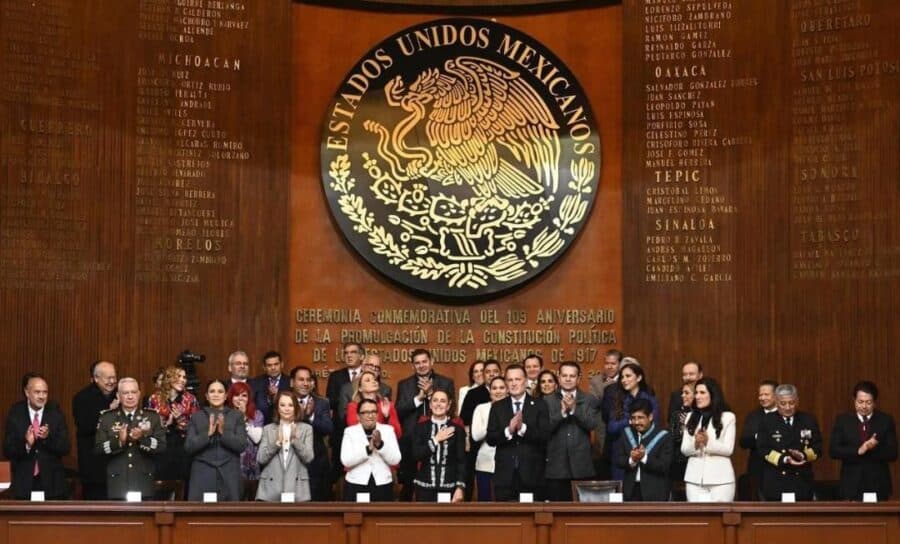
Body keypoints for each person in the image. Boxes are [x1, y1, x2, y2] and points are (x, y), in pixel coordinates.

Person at [396, 348, 455, 500]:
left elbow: (452, 410)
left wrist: (430, 395)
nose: (421, 365)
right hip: (411, 444)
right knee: (408, 488)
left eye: (424, 361)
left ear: (431, 362)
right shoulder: (404, 384)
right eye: (417, 363)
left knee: (436, 487)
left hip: (440, 440)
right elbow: (399, 411)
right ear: (413, 366)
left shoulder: (445, 382)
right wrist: (419, 398)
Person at [486, 364, 550, 501]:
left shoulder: (540, 405)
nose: (514, 383)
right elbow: (491, 438)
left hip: (532, 475)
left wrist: (522, 429)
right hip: (505, 477)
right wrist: (508, 430)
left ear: (525, 381)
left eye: (517, 379)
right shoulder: (497, 407)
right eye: (510, 380)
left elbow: (545, 436)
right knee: (505, 520)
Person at [95, 377, 166, 499]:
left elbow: (161, 447)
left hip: (143, 482)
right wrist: (119, 441)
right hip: (117, 483)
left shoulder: (152, 417)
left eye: (133, 392)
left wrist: (141, 438)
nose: (130, 396)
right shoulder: (107, 418)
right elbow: (98, 449)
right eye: (125, 393)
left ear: (139, 394)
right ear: (118, 395)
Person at [3, 373, 70, 499]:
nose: (42, 396)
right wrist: (27, 444)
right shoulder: (16, 413)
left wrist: (47, 439)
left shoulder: (55, 413)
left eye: (45, 392)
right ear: (27, 393)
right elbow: (8, 450)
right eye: (37, 392)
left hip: (52, 484)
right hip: (24, 483)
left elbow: (65, 447)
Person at [830, 381, 898, 501]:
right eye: (860, 402)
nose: (864, 406)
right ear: (854, 400)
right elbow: (834, 451)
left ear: (875, 403)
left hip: (878, 483)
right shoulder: (843, 420)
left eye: (868, 402)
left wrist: (872, 448)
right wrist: (858, 450)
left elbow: (893, 453)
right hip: (851, 484)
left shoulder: (885, 420)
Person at [185, 379, 248, 501]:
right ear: (207, 396)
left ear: (225, 396)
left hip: (229, 473)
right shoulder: (197, 416)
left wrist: (224, 433)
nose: (216, 394)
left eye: (220, 391)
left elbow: (241, 445)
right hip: (202, 473)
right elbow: (189, 447)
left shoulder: (236, 416)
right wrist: (207, 435)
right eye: (212, 391)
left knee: (229, 516)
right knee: (199, 517)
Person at [756, 384, 822, 501]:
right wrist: (785, 459)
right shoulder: (767, 421)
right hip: (776, 481)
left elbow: (818, 447)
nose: (787, 407)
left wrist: (803, 455)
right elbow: (762, 449)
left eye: (791, 403)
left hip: (802, 481)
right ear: (776, 402)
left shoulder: (808, 420)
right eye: (783, 403)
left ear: (797, 401)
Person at [544, 362, 599, 501]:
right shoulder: (547, 400)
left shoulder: (589, 399)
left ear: (579, 378)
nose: (568, 379)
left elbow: (592, 424)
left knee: (581, 516)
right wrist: (561, 414)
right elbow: (544, 429)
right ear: (559, 377)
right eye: (565, 375)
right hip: (556, 467)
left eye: (572, 376)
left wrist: (575, 410)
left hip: (582, 467)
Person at [681, 377, 736, 502]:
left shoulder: (728, 417)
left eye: (702, 393)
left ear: (713, 394)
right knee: (698, 520)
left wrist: (708, 442)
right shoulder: (690, 417)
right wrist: (695, 443)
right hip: (694, 480)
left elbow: (728, 449)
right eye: (696, 393)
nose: (698, 396)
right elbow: (684, 449)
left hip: (721, 481)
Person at [602, 362, 659, 480]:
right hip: (621, 452)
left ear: (639, 377)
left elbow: (655, 426)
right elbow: (611, 428)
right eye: (622, 377)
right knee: (622, 493)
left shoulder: (650, 400)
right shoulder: (618, 400)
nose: (624, 380)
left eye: (628, 376)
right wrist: (630, 421)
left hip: (645, 450)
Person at [145, 365, 200, 485]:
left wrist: (181, 421)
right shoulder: (155, 399)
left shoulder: (190, 399)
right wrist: (165, 424)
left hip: (183, 448)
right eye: (178, 376)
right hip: (161, 449)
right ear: (169, 377)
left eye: (184, 377)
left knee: (183, 485)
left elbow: (197, 427)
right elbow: (148, 428)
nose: (182, 380)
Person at [72, 360, 118, 499]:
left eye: (114, 377)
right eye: (107, 378)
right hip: (94, 467)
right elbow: (85, 426)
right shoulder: (82, 398)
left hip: (118, 467)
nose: (112, 381)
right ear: (96, 378)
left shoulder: (121, 394)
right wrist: (108, 412)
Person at [256, 391, 314, 502]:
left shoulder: (306, 429)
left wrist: (295, 440)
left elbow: (309, 457)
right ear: (277, 408)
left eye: (290, 405)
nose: (286, 408)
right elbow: (260, 458)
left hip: (298, 488)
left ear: (296, 408)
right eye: (282, 405)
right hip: (270, 488)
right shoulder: (268, 429)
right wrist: (277, 443)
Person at [341, 398, 402, 502]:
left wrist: (380, 445)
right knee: (355, 517)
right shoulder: (350, 432)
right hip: (356, 484)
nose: (370, 415)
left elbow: (396, 459)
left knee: (381, 518)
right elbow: (346, 461)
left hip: (382, 484)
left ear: (378, 414)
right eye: (365, 412)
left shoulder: (387, 430)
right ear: (358, 416)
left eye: (373, 411)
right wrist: (367, 450)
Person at [459, 359, 502, 500]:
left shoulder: (510, 399)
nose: (491, 374)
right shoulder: (474, 394)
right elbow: (464, 419)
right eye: (488, 372)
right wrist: (466, 440)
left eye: (495, 371)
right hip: (477, 446)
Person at [614, 398, 672, 501]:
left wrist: (644, 457)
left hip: (654, 493)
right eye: (633, 418)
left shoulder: (664, 436)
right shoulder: (626, 433)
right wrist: (631, 459)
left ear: (650, 417)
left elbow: (664, 466)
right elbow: (618, 459)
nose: (636, 422)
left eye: (640, 418)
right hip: (631, 491)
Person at [413, 390, 466, 502]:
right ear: (430, 405)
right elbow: (416, 455)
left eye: (443, 401)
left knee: (446, 519)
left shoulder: (458, 430)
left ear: (448, 405)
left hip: (448, 487)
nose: (438, 404)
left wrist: (460, 487)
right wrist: (436, 440)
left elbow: (461, 461)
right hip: (424, 487)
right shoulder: (420, 428)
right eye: (435, 400)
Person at [290, 365, 334, 501]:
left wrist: (310, 417)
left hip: (316, 463)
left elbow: (328, 428)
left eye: (308, 380)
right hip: (291, 461)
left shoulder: (322, 403)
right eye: (301, 379)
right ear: (292, 382)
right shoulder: (284, 401)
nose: (305, 383)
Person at [326, 342, 365, 490]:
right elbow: (331, 403)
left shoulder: (368, 375)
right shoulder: (336, 377)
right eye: (346, 353)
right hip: (341, 433)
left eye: (353, 352)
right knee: (340, 474)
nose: (349, 355)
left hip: (365, 432)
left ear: (361, 356)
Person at [738, 379, 778, 500]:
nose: (762, 397)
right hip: (758, 468)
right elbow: (743, 441)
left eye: (766, 394)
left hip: (779, 469)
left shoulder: (784, 415)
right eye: (760, 394)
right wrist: (759, 437)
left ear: (776, 396)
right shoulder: (753, 416)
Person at [471, 376, 507, 501]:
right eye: (494, 388)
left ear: (507, 390)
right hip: (484, 463)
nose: (498, 391)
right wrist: (493, 417)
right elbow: (476, 436)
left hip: (507, 464)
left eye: (502, 388)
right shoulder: (481, 408)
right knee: (484, 502)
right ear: (490, 392)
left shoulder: (513, 408)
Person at [588, 349, 622, 478]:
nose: (609, 366)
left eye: (613, 363)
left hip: (623, 425)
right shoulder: (596, 381)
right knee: (606, 461)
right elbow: (594, 403)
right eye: (607, 363)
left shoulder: (625, 379)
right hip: (603, 426)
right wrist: (609, 388)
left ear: (619, 364)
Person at [338, 353, 392, 423]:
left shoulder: (385, 390)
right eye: (371, 365)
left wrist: (386, 416)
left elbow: (394, 427)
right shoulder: (347, 389)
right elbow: (343, 416)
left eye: (377, 367)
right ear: (363, 367)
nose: (374, 369)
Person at [226, 382, 264, 483]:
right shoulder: (225, 414)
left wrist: (243, 418)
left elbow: (257, 438)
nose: (240, 398)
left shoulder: (257, 414)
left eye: (244, 395)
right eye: (236, 395)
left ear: (249, 398)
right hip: (230, 464)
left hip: (251, 465)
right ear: (231, 397)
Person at [346, 370, 401, 438]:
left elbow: (397, 434)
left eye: (374, 379)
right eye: (368, 380)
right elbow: (355, 432)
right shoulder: (353, 407)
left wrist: (387, 417)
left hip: (384, 445)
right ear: (360, 388)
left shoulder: (387, 405)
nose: (374, 381)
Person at [668, 382, 694, 499]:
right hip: (679, 461)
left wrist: (687, 427)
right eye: (682, 393)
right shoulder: (676, 414)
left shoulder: (701, 415)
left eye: (687, 393)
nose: (683, 396)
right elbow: (674, 437)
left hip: (695, 460)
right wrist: (683, 429)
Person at [249, 350, 291, 424]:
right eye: (269, 365)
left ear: (282, 364)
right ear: (264, 367)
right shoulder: (255, 382)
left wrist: (277, 395)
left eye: (276, 364)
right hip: (262, 426)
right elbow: (252, 406)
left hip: (285, 425)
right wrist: (269, 397)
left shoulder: (290, 382)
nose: (273, 368)